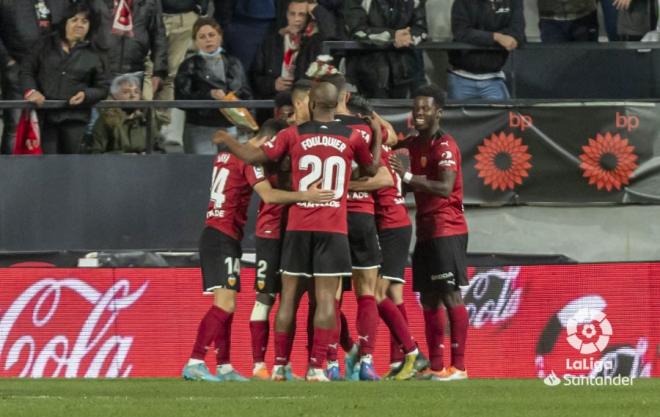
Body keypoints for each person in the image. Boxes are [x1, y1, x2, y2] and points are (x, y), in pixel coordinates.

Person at [213, 80, 381, 381]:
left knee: (288, 297)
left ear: (312, 105)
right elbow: (371, 170)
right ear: (335, 104)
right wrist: (378, 136)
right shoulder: (353, 137)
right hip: (333, 228)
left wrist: (229, 139)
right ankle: (317, 367)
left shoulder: (292, 134)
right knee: (327, 300)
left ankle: (278, 365)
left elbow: (253, 157)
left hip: (298, 226)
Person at [181, 125, 334, 382]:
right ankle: (195, 361)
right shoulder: (249, 158)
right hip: (222, 236)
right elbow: (269, 195)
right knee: (225, 304)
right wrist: (306, 195)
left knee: (226, 303)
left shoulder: (225, 156)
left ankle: (224, 365)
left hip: (217, 232)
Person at [390, 84, 470, 381]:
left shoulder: (445, 145)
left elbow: (445, 187)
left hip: (447, 227)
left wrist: (407, 176)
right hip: (425, 229)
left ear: (439, 112)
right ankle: (437, 367)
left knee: (450, 295)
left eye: (425, 108)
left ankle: (459, 367)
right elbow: (395, 162)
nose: (419, 113)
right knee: (428, 299)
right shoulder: (413, 144)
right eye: (416, 108)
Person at [346, 93, 427, 381]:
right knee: (392, 293)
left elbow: (385, 140)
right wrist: (371, 114)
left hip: (392, 227)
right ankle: (400, 358)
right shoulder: (378, 147)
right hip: (393, 225)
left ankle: (412, 352)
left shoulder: (370, 152)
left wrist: (341, 184)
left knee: (378, 294)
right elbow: (388, 133)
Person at [21, 1, 108, 154]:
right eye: (74, 20)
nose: (79, 25)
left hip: (76, 119)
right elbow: (26, 70)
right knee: (47, 166)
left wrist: (86, 95)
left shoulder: (96, 53)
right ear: (64, 22)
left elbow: (103, 87)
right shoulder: (44, 44)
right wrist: (32, 91)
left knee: (72, 167)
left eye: (85, 21)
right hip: (45, 118)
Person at [174, 17, 252, 154]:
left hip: (230, 127)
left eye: (211, 35)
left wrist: (246, 122)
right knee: (201, 171)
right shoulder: (188, 65)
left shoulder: (234, 63)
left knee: (229, 172)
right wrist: (209, 95)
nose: (207, 40)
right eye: (202, 37)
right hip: (200, 127)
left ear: (220, 37)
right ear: (195, 42)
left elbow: (246, 93)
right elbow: (181, 98)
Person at [0, 0, 69, 154]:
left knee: (51, 127)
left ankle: (46, 174)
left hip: (53, 70)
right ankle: (9, 174)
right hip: (17, 68)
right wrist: (8, 62)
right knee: (15, 126)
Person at [250, 0, 337, 106]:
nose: (297, 19)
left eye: (302, 14)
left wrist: (315, 8)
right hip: (274, 103)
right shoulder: (271, 42)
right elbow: (255, 76)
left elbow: (330, 33)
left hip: (304, 102)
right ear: (286, 15)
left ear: (309, 17)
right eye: (292, 14)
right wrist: (273, 84)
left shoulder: (313, 43)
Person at [345, 0, 428, 98]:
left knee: (403, 109)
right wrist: (393, 36)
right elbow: (357, 30)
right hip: (368, 72)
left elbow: (421, 28)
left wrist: (408, 37)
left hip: (405, 70)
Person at [448, 0, 525, 100]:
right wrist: (496, 37)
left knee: (504, 114)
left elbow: (518, 34)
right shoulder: (463, 2)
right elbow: (461, 32)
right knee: (455, 114)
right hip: (461, 77)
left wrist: (479, 36)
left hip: (494, 77)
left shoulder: (513, 2)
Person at [91, 73, 166, 154]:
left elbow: (161, 151)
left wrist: (147, 155)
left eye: (136, 92)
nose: (133, 95)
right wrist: (124, 157)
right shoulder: (105, 120)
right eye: (126, 92)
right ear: (115, 96)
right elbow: (96, 154)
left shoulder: (147, 118)